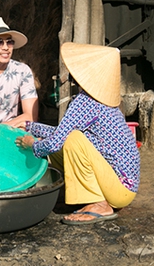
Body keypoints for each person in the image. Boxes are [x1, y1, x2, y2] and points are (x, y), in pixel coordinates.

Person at [15, 42, 140, 225]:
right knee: (70, 139)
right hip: (124, 188)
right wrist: (30, 127)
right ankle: (87, 195)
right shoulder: (104, 101)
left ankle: (98, 204)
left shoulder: (85, 102)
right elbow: (61, 133)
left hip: (118, 188)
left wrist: (32, 145)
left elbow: (55, 143)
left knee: (71, 141)